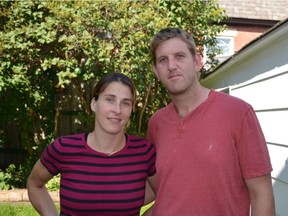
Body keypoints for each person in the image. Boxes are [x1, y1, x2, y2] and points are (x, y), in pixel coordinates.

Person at [146, 28, 275, 216]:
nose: (171, 65)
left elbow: (261, 194)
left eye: (179, 56)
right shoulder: (156, 123)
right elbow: (163, 190)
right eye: (163, 60)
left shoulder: (238, 113)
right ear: (156, 71)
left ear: (197, 62)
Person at [27, 72, 156, 216]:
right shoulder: (64, 148)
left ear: (131, 109)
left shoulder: (144, 152)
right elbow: (34, 184)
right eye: (109, 100)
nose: (117, 110)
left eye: (125, 103)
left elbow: (166, 195)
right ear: (94, 103)